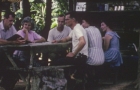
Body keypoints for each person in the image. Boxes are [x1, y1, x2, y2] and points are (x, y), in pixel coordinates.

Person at [0, 11, 25, 90]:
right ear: (5, 19)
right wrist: (12, 42)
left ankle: (6, 86)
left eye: (12, 21)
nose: (11, 23)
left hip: (8, 55)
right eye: (10, 20)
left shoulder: (12, 27)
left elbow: (16, 37)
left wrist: (19, 41)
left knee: (18, 64)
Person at [81, 17, 104, 84]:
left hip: (93, 57)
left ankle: (88, 80)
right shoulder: (97, 29)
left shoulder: (86, 30)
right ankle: (95, 79)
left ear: (88, 22)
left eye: (83, 22)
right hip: (101, 57)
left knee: (82, 61)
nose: (82, 24)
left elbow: (84, 43)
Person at [100, 19, 123, 84]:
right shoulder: (114, 33)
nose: (101, 27)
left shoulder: (108, 34)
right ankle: (114, 79)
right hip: (117, 53)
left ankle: (98, 77)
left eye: (102, 25)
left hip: (112, 53)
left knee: (98, 58)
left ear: (107, 25)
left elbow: (105, 48)